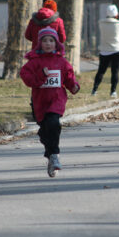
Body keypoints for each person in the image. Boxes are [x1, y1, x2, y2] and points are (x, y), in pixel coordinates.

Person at [20, 27, 80, 178]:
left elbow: (68, 77)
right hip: (40, 101)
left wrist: (73, 86)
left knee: (54, 124)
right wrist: (41, 75)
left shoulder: (61, 61)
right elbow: (27, 78)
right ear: (39, 44)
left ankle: (54, 155)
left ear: (56, 43)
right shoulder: (34, 62)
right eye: (45, 40)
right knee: (45, 130)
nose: (48, 43)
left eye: (51, 40)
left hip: (56, 99)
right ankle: (51, 154)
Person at [91, 4, 119, 98]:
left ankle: (94, 90)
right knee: (115, 71)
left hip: (104, 50)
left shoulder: (101, 23)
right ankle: (113, 92)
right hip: (117, 50)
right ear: (116, 14)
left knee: (101, 71)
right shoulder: (118, 23)